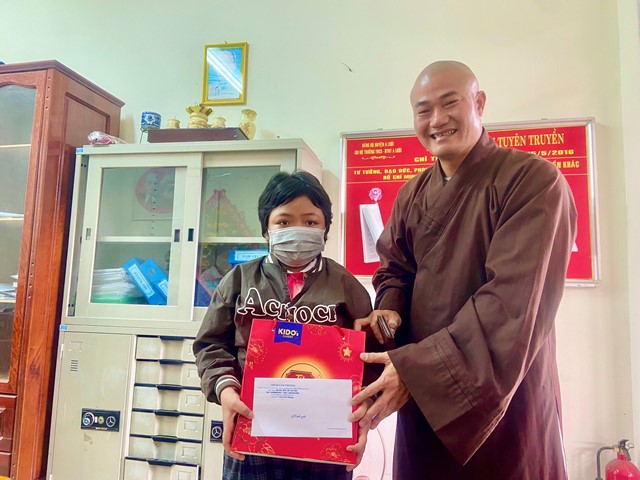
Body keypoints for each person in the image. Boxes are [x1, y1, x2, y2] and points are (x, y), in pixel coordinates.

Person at [351, 60, 577, 479]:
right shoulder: (411, 194)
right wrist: (389, 308)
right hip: (422, 396)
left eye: (449, 103)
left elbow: (511, 303)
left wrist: (420, 371)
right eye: (423, 110)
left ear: (479, 103)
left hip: (501, 397)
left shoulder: (533, 181)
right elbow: (394, 268)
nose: (437, 120)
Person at [194, 170, 375, 480]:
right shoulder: (239, 281)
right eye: (284, 222)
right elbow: (210, 344)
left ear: (326, 228)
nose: (298, 230)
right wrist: (225, 389)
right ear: (266, 229)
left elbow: (369, 356)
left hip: (324, 443)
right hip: (253, 434)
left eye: (310, 222)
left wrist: (365, 407)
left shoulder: (346, 286)